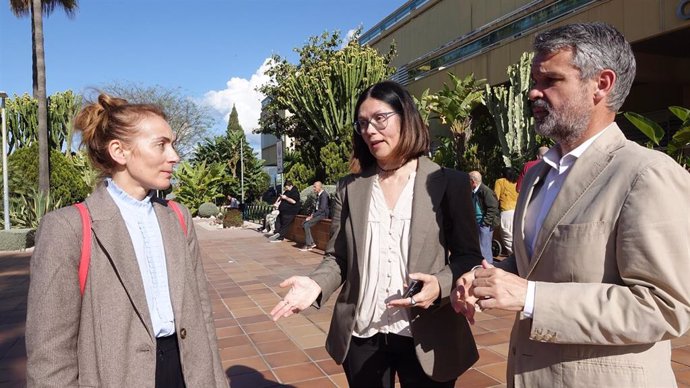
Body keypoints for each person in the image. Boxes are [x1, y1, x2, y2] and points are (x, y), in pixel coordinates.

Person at [452, 23, 690, 387]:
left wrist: (529, 297)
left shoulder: (646, 174)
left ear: (602, 84)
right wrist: (487, 278)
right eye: (534, 80)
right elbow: (537, 261)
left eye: (551, 80)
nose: (533, 92)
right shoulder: (536, 176)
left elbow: (664, 308)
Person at [270, 81, 483, 387]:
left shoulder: (448, 182)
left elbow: (468, 256)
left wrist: (440, 285)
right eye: (362, 123)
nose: (370, 130)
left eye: (379, 119)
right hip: (363, 332)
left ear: (405, 116)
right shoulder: (350, 187)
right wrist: (316, 284)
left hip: (427, 333)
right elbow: (338, 256)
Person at [25, 93, 227, 387]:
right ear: (120, 151)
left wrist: (217, 380)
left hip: (188, 369)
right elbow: (50, 353)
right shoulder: (67, 228)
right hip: (115, 374)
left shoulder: (178, 218)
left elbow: (201, 314)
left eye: (172, 145)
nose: (174, 156)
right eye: (161, 144)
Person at [468, 171, 499, 263]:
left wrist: (485, 223)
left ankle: (487, 268)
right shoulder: (475, 192)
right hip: (478, 223)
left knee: (484, 248)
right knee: (480, 247)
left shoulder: (485, 191)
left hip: (484, 224)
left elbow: (493, 207)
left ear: (473, 181)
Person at [493, 167, 518, 255]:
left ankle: (514, 258)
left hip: (506, 212)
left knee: (507, 236)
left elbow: (495, 197)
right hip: (518, 211)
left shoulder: (500, 181)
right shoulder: (517, 182)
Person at [299, 181, 329, 251]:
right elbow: (317, 207)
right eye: (313, 186)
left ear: (319, 187)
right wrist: (312, 214)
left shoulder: (324, 195)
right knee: (303, 223)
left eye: (315, 186)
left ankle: (309, 245)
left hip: (322, 215)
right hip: (318, 214)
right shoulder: (319, 195)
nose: (314, 188)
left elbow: (322, 209)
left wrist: (312, 216)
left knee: (306, 225)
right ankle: (311, 243)